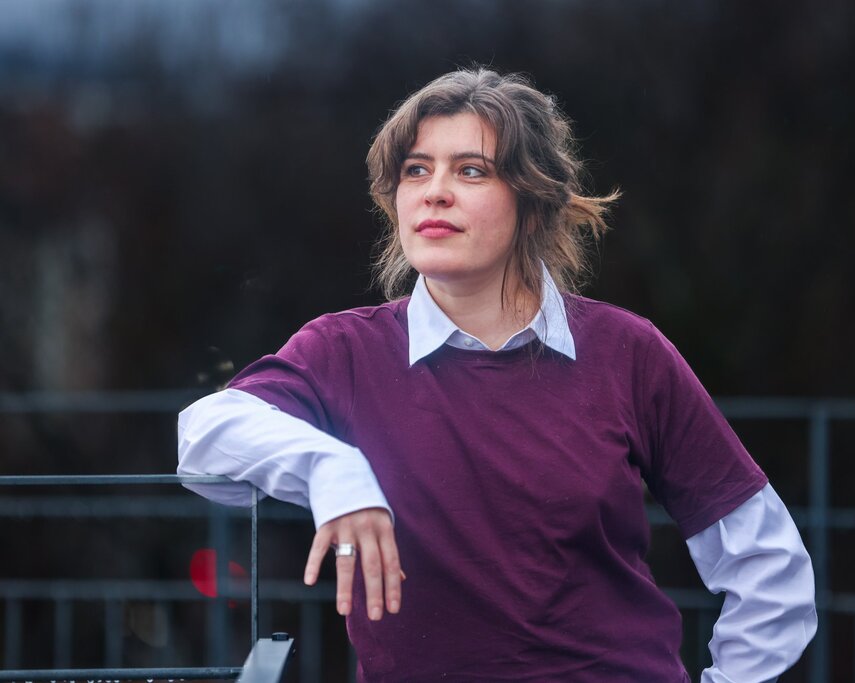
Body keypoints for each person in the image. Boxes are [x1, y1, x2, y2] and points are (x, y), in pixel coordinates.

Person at [178, 68, 816, 682]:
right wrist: (332, 471)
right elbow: (205, 435)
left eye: (471, 170)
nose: (435, 192)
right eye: (416, 170)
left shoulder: (627, 351)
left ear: (532, 201)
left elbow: (769, 568)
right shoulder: (345, 350)